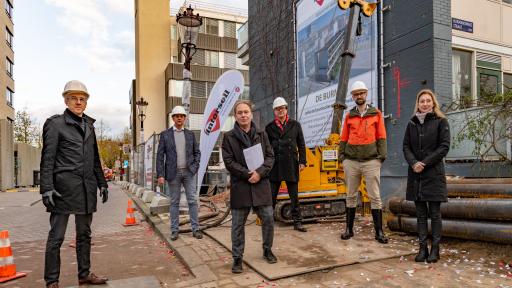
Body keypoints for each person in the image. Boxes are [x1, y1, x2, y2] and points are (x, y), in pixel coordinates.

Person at [40, 80, 109, 288]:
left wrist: (102, 182)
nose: (79, 102)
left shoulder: (89, 125)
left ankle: (84, 274)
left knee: (84, 235)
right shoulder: (55, 124)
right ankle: (52, 281)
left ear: (86, 102)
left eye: (82, 99)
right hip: (62, 189)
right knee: (57, 237)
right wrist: (46, 188)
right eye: (74, 98)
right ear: (66, 100)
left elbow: (95, 158)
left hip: (86, 189)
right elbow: (48, 158)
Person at [222, 100, 276, 273]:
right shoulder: (228, 137)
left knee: (268, 218)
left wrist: (259, 173)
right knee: (237, 225)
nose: (243, 115)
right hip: (241, 186)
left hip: (261, 184)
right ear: (235, 116)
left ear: (251, 114)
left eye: (246, 112)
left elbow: (270, 157)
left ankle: (267, 250)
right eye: (240, 112)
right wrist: (247, 174)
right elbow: (229, 161)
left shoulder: (262, 134)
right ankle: (237, 259)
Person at [403, 89, 450, 263]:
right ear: (418, 103)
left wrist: (424, 163)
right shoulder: (411, 123)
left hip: (433, 175)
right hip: (416, 176)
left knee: (435, 214)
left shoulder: (441, 121)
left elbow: (444, 147)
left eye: (428, 101)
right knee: (421, 215)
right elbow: (406, 146)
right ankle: (422, 249)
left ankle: (435, 250)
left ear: (433, 103)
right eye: (422, 101)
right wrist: (414, 162)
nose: (425, 103)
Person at [339, 80, 388, 244]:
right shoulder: (349, 116)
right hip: (351, 161)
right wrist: (343, 158)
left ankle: (379, 232)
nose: (359, 96)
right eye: (356, 94)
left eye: (361, 93)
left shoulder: (376, 114)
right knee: (351, 196)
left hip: (371, 161)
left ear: (366, 94)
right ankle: (348, 229)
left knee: (375, 197)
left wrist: (381, 157)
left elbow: (381, 136)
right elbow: (343, 138)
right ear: (352, 97)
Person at [156, 105, 202, 241]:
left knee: (192, 201)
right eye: (177, 116)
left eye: (182, 116)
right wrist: (160, 174)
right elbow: (160, 156)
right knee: (174, 202)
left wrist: (195, 167)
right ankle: (174, 230)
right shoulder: (165, 135)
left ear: (185, 118)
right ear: (173, 118)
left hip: (189, 173)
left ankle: (196, 229)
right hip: (173, 173)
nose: (179, 118)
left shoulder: (190, 134)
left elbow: (197, 153)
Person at [265, 97, 307, 232]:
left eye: (282, 108)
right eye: (277, 109)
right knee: (271, 197)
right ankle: (268, 222)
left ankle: (297, 222)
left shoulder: (295, 125)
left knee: (294, 196)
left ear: (286, 109)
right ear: (274, 112)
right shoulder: (269, 128)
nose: (280, 111)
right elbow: (265, 147)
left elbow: (301, 144)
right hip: (275, 166)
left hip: (291, 164)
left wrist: (302, 161)